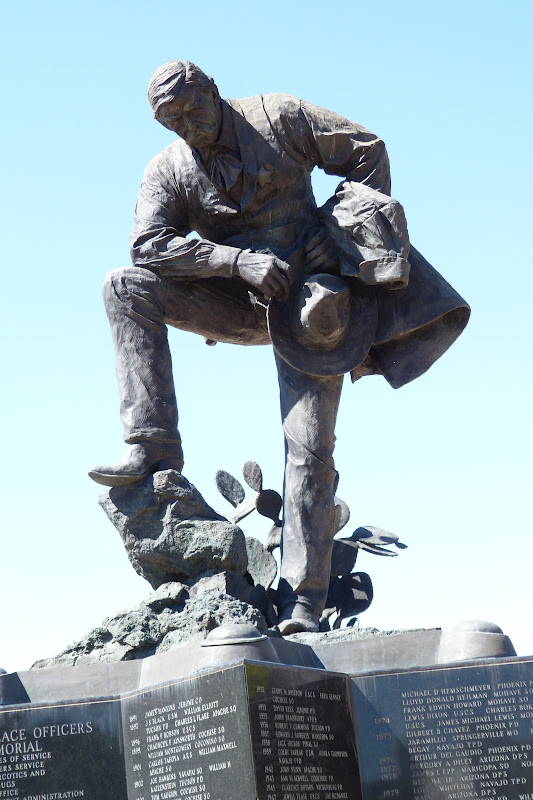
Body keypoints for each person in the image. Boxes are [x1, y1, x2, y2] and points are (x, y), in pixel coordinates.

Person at [90, 61, 469, 634]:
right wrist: (232, 261)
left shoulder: (280, 118)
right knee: (123, 286)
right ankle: (151, 445)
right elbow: (147, 246)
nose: (189, 125)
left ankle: (304, 601)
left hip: (311, 302)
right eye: (174, 121)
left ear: (213, 89)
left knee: (309, 447)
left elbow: (367, 151)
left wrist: (335, 233)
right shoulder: (169, 170)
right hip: (235, 300)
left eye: (193, 107)